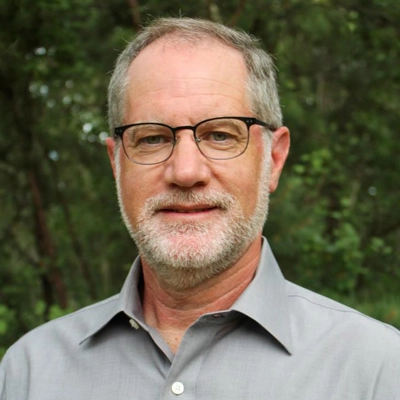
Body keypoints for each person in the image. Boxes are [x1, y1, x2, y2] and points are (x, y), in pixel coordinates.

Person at [1, 17, 399, 400]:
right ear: (116, 164)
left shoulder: (378, 371)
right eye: (153, 139)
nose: (186, 172)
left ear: (273, 159)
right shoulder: (29, 373)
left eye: (221, 135)